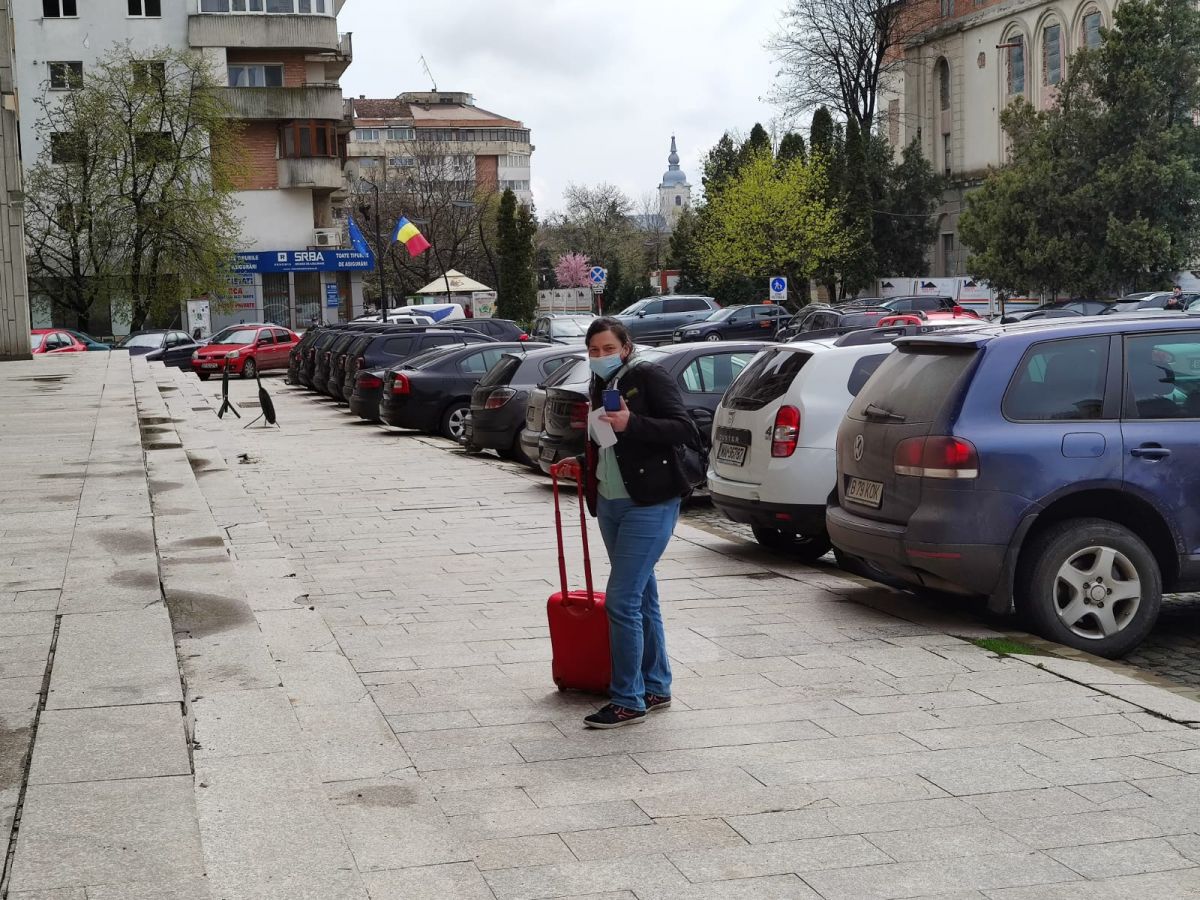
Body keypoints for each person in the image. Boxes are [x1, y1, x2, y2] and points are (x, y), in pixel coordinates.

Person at [551, 317, 699, 729]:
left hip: (649, 503)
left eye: (608, 349)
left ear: (626, 348)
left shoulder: (648, 376)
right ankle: (656, 686)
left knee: (621, 600)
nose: (600, 356)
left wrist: (632, 422)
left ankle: (628, 700)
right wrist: (582, 462)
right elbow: (608, 444)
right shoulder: (600, 383)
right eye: (593, 350)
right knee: (642, 596)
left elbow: (684, 429)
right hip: (611, 503)